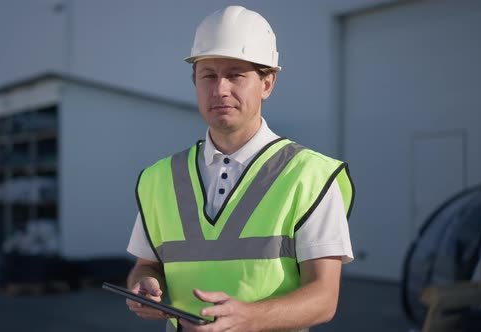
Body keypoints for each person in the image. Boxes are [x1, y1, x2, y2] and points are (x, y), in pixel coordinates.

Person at [125, 5, 354, 332]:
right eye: (209, 75)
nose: (220, 89)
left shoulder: (310, 176)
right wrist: (145, 284)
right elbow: (147, 266)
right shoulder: (159, 178)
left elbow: (323, 297)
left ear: (267, 83)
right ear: (195, 82)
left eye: (235, 74)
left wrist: (251, 318)